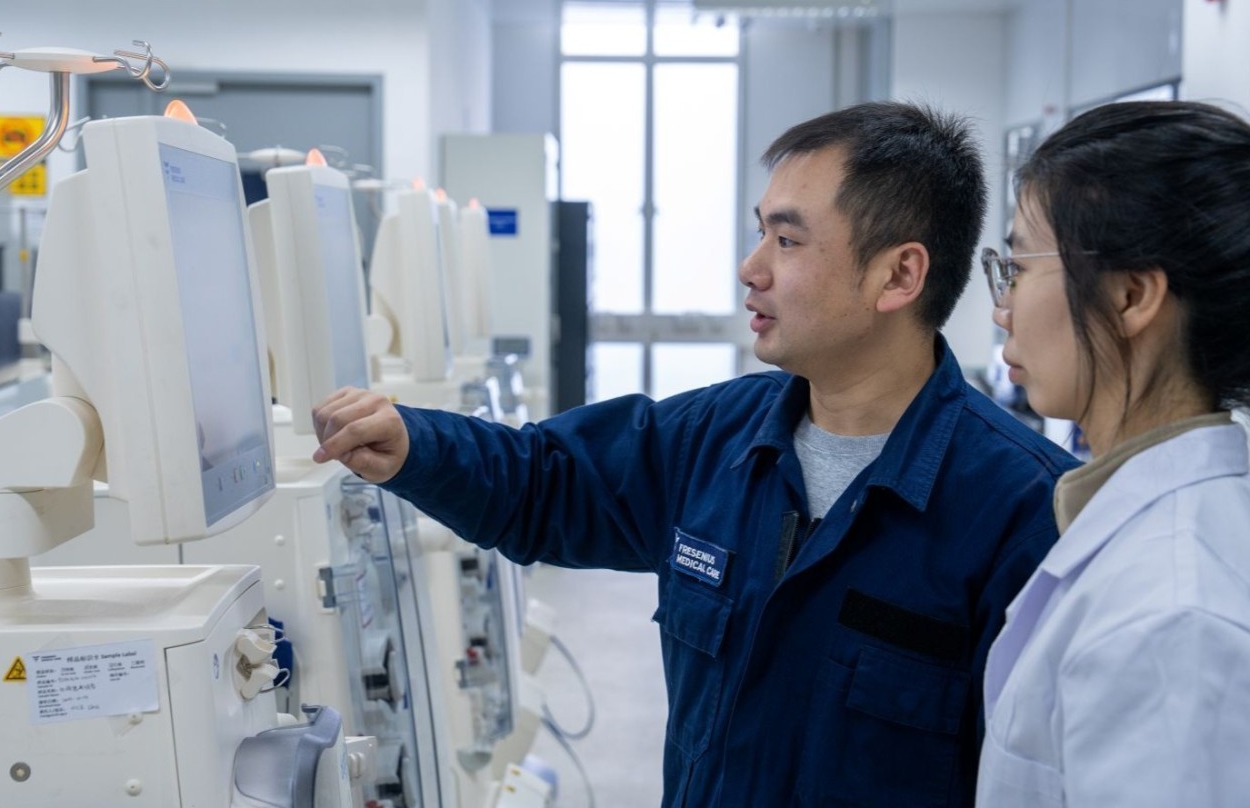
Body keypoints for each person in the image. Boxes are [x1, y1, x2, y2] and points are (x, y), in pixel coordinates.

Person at [314, 101, 1076, 807]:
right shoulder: (715, 442)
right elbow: (543, 482)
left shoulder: (1023, 511)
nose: (752, 268)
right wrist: (416, 443)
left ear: (899, 274)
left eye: (787, 239)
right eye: (759, 233)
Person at [976, 100, 1250, 807]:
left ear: (1131, 295)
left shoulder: (1172, 616)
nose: (1001, 309)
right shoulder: (1155, 540)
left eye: (1019, 266)